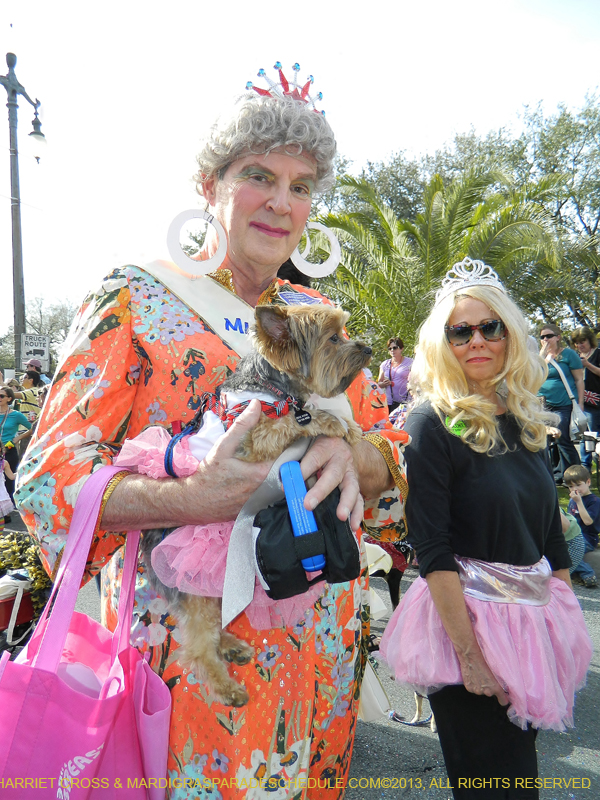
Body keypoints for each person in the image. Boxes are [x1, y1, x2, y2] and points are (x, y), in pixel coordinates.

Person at [15, 66, 408, 795]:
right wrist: (196, 496)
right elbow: (48, 482)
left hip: (319, 646)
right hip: (192, 663)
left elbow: (393, 457)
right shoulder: (134, 299)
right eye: (258, 175)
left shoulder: (321, 316)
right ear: (209, 185)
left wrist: (347, 448)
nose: (280, 202)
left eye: (301, 185)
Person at [380, 258, 591, 799]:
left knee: (520, 781)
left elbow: (548, 530)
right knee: (491, 788)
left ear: (510, 335)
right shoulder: (430, 423)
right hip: (467, 631)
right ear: (441, 343)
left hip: (530, 626)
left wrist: (561, 619)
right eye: (460, 330)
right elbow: (434, 549)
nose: (477, 340)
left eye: (490, 326)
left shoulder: (525, 416)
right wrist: (471, 658)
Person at [538, 323, 583, 483]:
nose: (545, 339)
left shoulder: (568, 355)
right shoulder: (539, 357)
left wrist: (580, 404)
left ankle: (577, 475)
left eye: (549, 336)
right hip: (544, 404)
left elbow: (579, 380)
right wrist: (543, 354)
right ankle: (558, 475)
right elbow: (534, 375)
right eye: (542, 337)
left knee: (562, 439)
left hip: (563, 403)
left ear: (558, 337)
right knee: (549, 441)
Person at [564, 464, 600, 588]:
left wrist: (579, 502)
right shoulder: (572, 500)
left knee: (570, 552)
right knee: (559, 548)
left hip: (588, 537)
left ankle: (587, 572)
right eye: (570, 486)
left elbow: (588, 521)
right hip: (573, 535)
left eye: (578, 485)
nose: (575, 489)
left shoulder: (594, 501)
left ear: (588, 482)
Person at [571, 326, 600, 469]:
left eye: (583, 341)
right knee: (586, 435)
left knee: (592, 434)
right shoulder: (575, 356)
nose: (580, 345)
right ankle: (585, 466)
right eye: (577, 342)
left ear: (590, 340)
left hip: (596, 401)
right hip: (582, 402)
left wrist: (587, 365)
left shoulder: (598, 354)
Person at [0, 387, 31, 506]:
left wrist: (18, 438)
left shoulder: (16, 415)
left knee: (9, 481)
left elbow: (32, 427)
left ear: (9, 398)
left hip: (8, 450)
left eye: (1, 396)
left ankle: (8, 510)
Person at [377, 336, 413, 413]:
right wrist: (383, 384)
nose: (392, 350)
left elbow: (416, 380)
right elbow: (378, 384)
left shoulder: (410, 362)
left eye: (395, 348)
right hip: (390, 403)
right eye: (390, 348)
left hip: (406, 402)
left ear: (401, 348)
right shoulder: (385, 364)